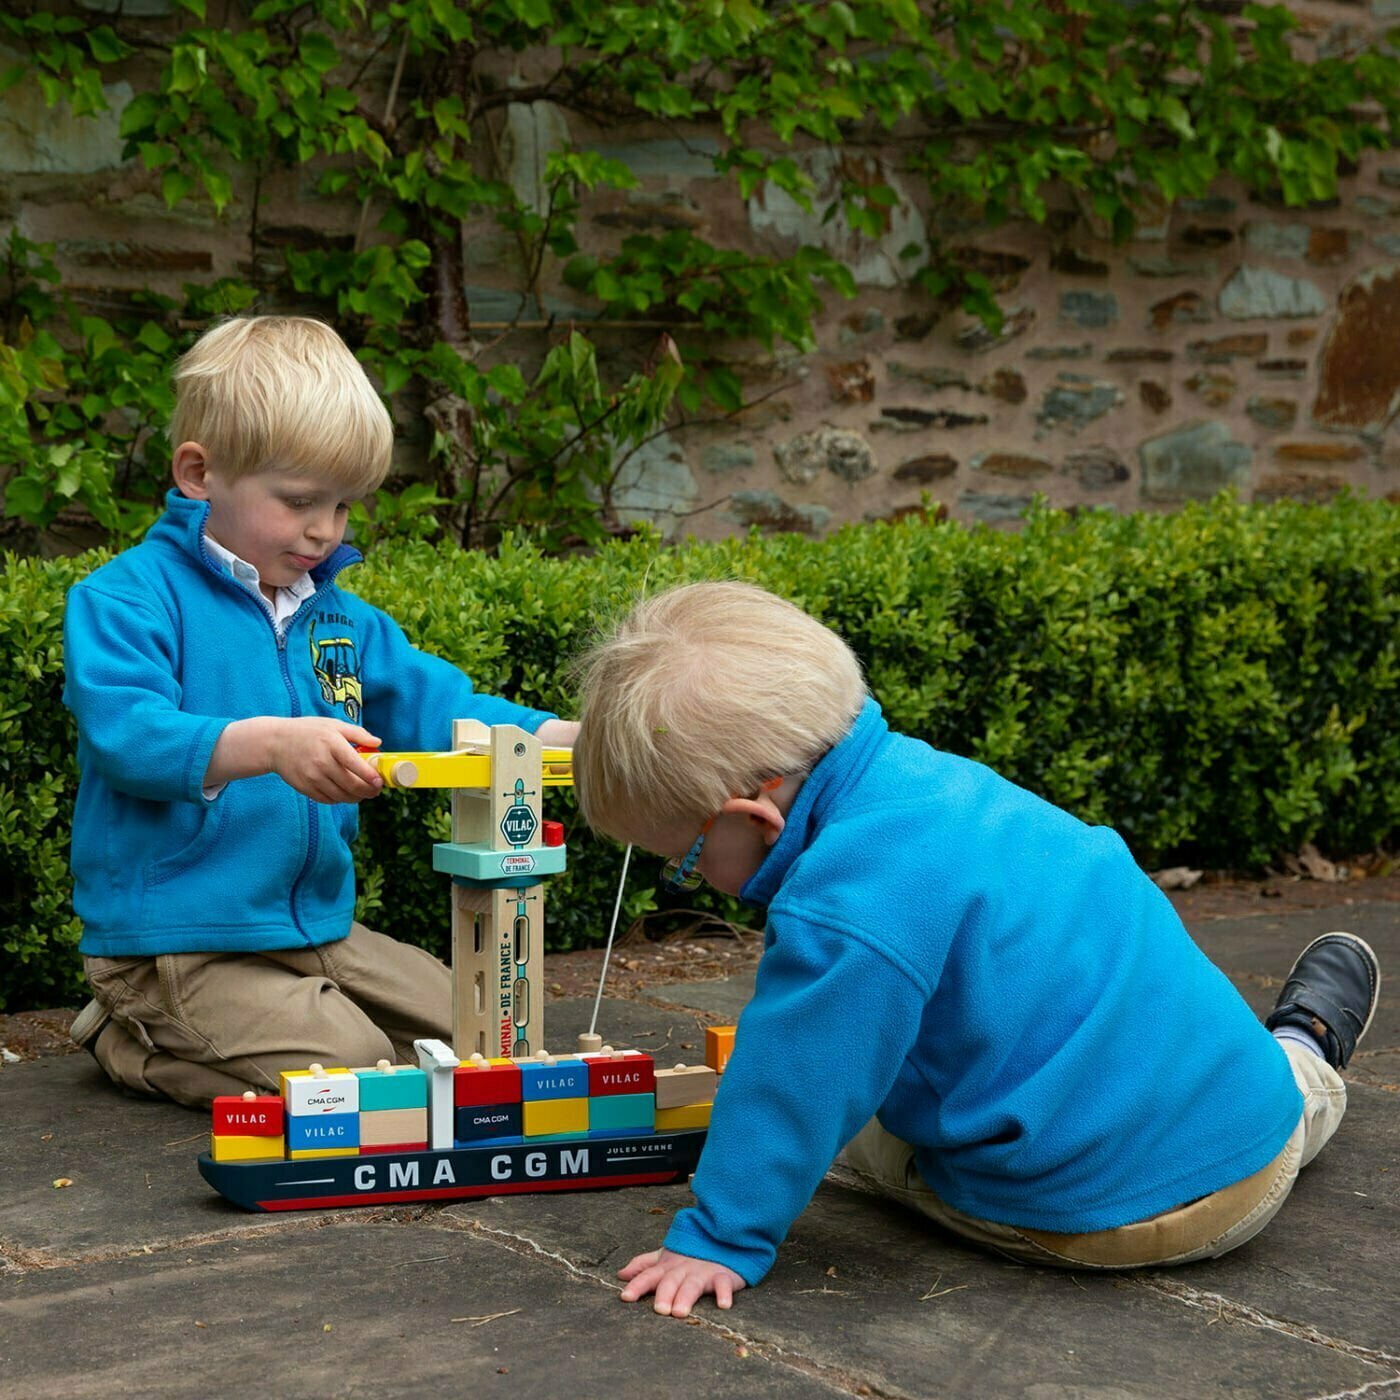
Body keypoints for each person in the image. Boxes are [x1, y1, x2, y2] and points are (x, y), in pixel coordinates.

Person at [570, 580, 1380, 1318]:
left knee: (862, 1136)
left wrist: (719, 1236)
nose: (695, 882)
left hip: (1107, 1216)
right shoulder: (938, 783)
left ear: (756, 817)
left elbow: (796, 1081)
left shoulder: (844, 907)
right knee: (1282, 1081)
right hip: (1252, 1120)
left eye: (684, 862)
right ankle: (1305, 1042)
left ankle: (1294, 1057)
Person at [63, 315, 577, 1108]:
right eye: (300, 500)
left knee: (489, 1029)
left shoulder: (336, 615)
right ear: (198, 473)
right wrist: (271, 744)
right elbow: (128, 735)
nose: (324, 531)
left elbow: (441, 703)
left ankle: (279, 1024)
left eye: (342, 506)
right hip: (177, 943)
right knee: (356, 1070)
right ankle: (126, 1037)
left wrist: (557, 736)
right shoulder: (125, 599)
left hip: (317, 929)